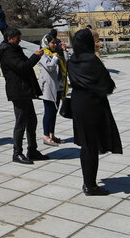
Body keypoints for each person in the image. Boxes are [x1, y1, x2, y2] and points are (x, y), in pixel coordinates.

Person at [67, 28, 123, 195]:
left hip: (78, 103)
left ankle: (88, 181)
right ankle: (90, 185)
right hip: (92, 104)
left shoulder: (72, 60)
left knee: (86, 145)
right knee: (91, 145)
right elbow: (108, 84)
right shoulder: (92, 60)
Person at [0, 28, 47, 164]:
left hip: (25, 90)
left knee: (32, 121)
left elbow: (26, 64)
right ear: (10, 39)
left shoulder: (15, 49)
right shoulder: (8, 52)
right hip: (18, 90)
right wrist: (35, 56)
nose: (19, 40)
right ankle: (17, 153)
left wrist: (35, 56)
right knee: (21, 122)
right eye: (17, 38)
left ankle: (32, 149)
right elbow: (23, 67)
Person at [37, 33, 67, 146]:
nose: (55, 45)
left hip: (58, 86)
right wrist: (55, 56)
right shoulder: (43, 53)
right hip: (48, 87)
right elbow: (50, 67)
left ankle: (51, 134)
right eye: (53, 43)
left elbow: (66, 63)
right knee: (48, 112)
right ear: (46, 43)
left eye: (56, 43)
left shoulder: (55, 53)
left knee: (54, 112)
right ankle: (46, 136)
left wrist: (64, 52)